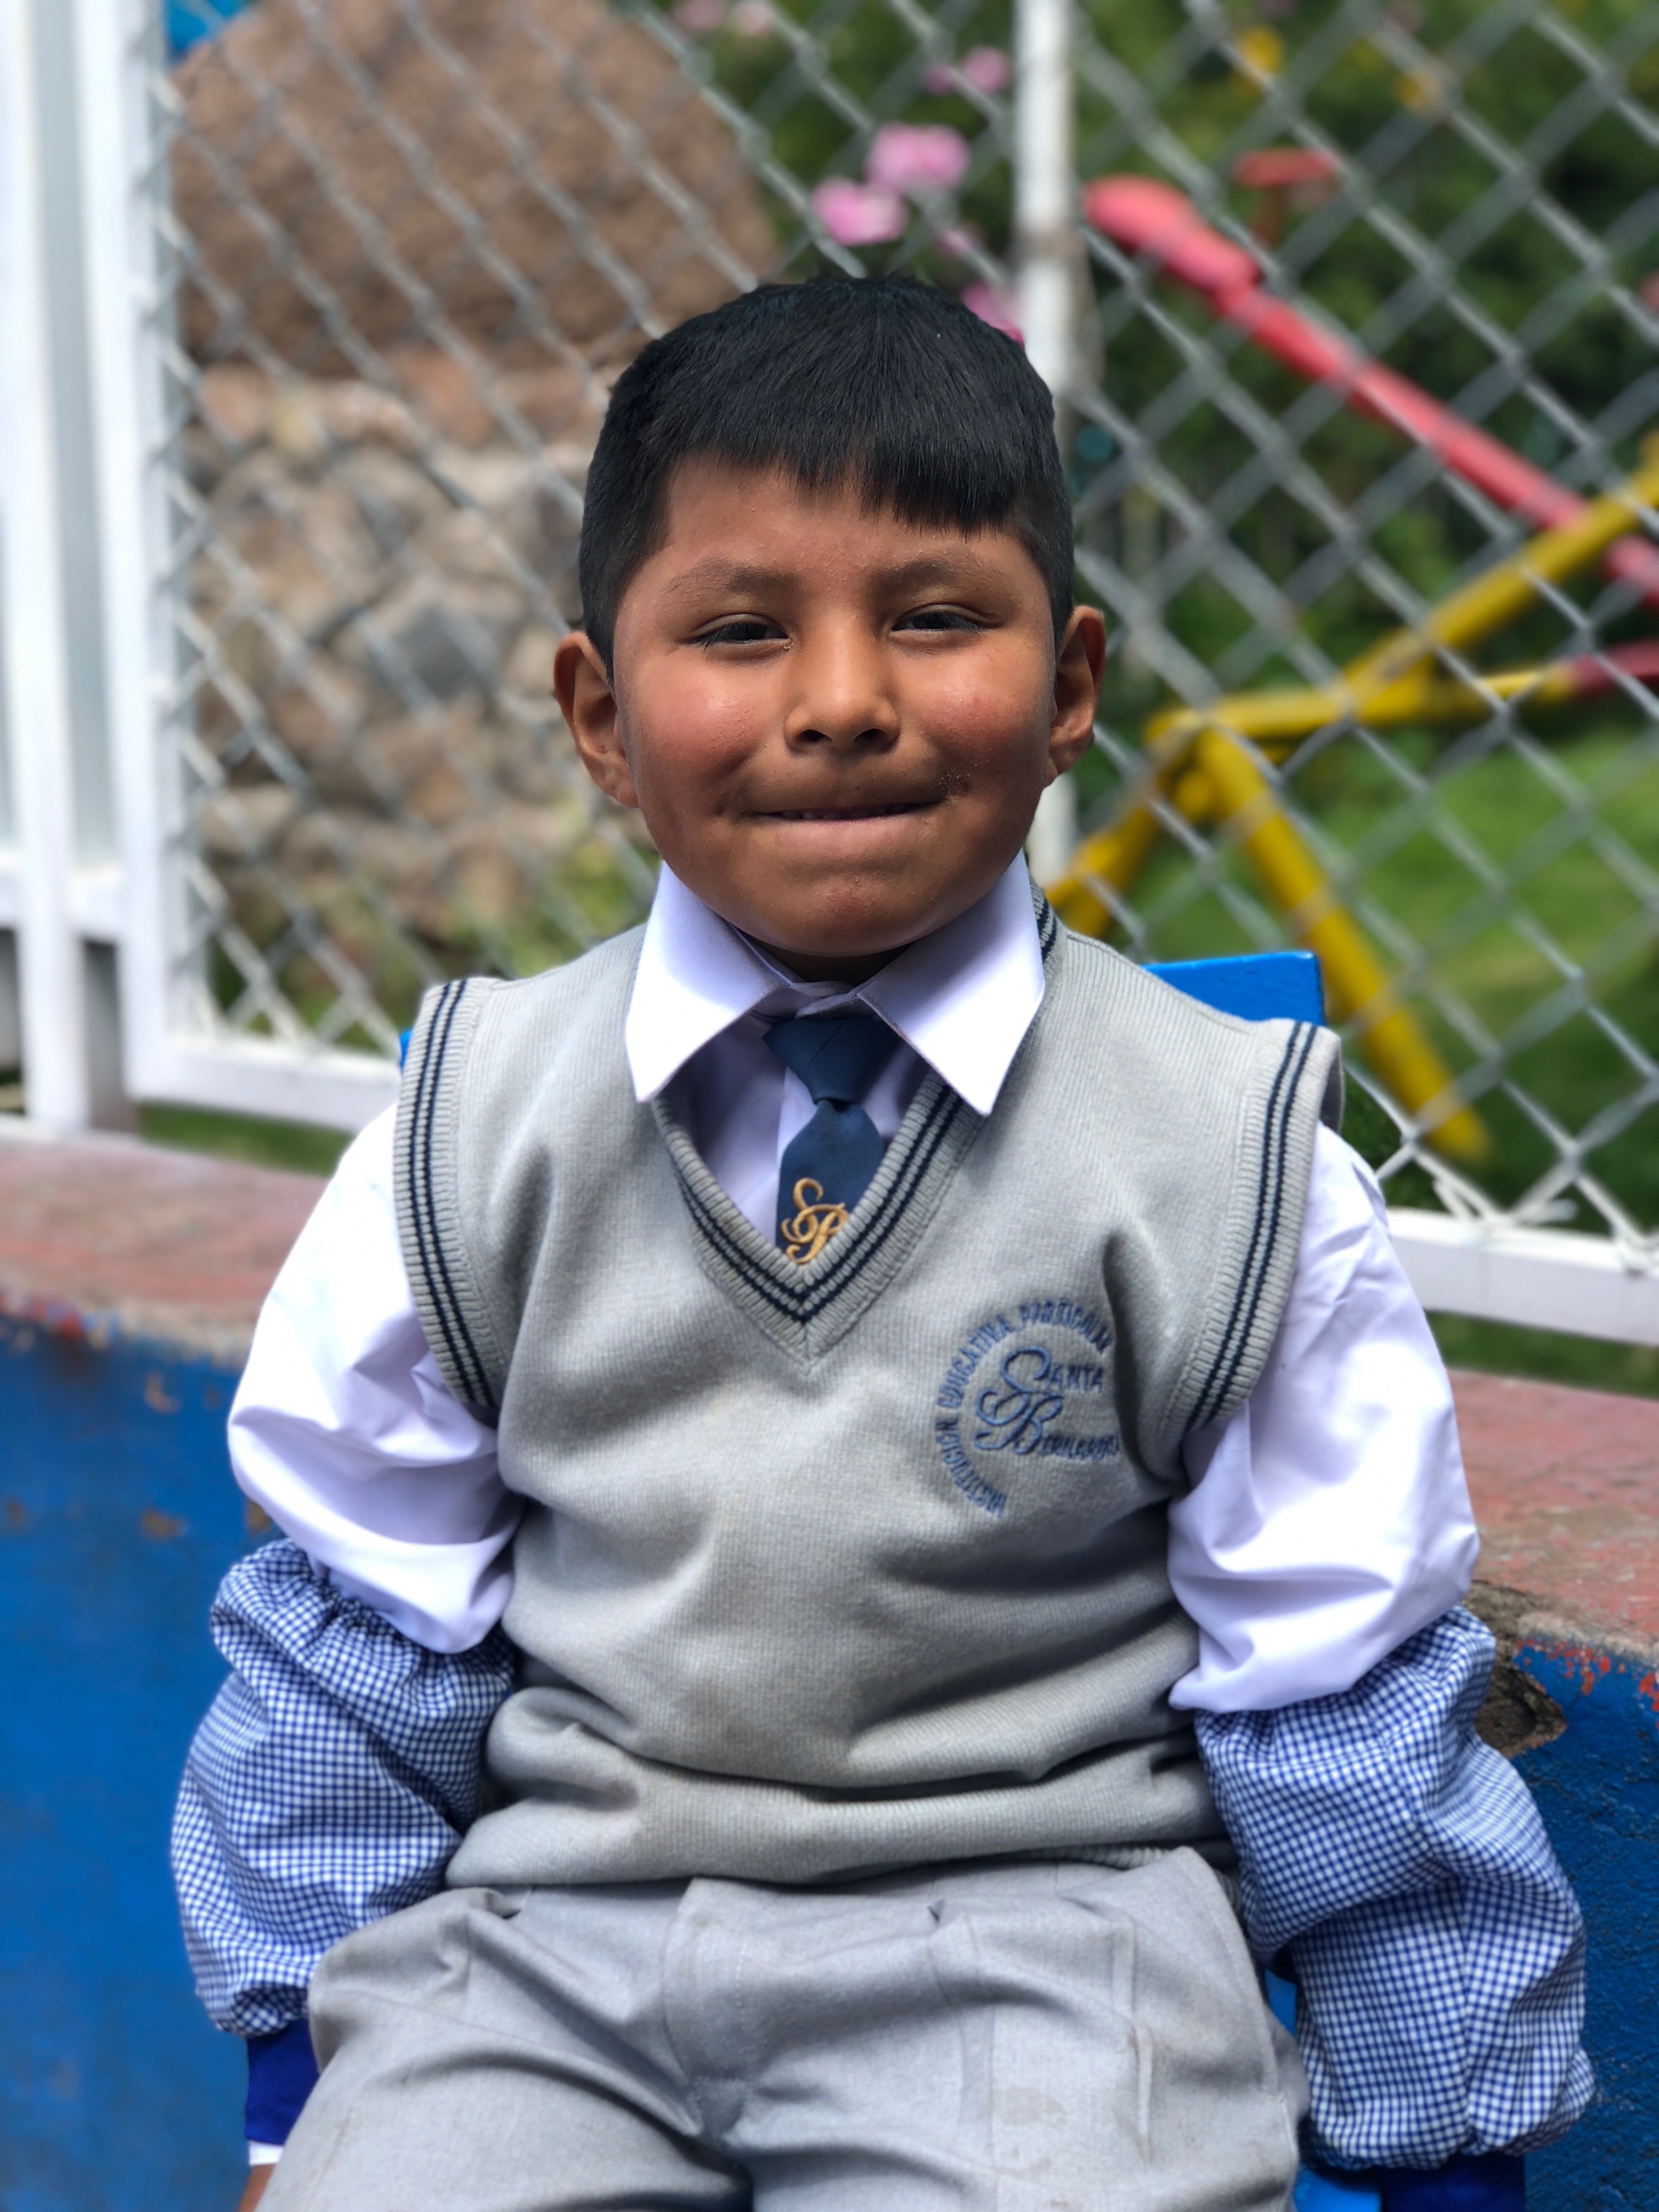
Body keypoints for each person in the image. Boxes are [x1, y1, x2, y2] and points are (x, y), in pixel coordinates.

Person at [173, 276, 1590, 2212]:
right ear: (599, 714)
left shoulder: (1226, 1160)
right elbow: (356, 1643)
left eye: (933, 618)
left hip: (1052, 1952)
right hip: (549, 1957)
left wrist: (1449, 2159)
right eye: (740, 631)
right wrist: (289, 2106)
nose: (843, 699)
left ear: (1070, 687)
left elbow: (1340, 1694)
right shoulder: (466, 1133)